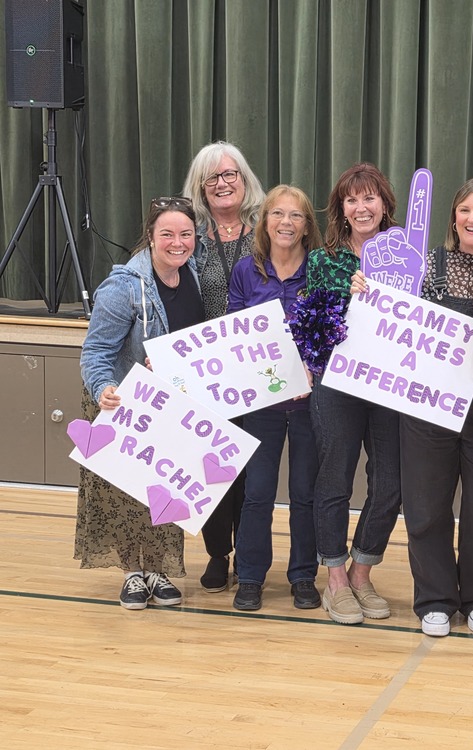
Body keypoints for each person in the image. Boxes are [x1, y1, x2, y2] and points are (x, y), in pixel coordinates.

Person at [77, 196, 204, 609]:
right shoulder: (124, 286)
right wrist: (103, 390)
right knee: (129, 493)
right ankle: (134, 572)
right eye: (166, 233)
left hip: (169, 402)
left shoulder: (195, 275)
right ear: (150, 237)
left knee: (167, 485)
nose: (177, 242)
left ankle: (160, 571)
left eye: (185, 234)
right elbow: (95, 352)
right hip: (123, 401)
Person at [398, 178, 473, 637]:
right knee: (426, 507)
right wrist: (368, 289)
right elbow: (393, 312)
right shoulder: (427, 264)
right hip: (428, 406)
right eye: (464, 209)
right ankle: (436, 599)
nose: (472, 219)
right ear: (453, 217)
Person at [308, 163, 402, 625]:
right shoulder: (324, 259)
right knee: (335, 476)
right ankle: (336, 579)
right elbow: (314, 327)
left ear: (385, 203)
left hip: (393, 383)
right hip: (337, 382)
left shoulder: (409, 252)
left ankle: (362, 570)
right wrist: (351, 298)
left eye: (369, 198)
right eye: (351, 199)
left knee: (391, 480)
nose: (361, 207)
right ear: (341, 209)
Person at [227, 185, 323, 611]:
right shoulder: (246, 271)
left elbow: (335, 331)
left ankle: (303, 575)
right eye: (277, 214)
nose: (286, 222)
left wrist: (313, 367)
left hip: (310, 404)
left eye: (296, 216)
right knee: (257, 493)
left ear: (307, 226)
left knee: (305, 494)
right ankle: (249, 576)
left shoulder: (320, 271)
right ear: (264, 221)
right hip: (261, 405)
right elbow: (233, 334)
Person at [182, 140, 266, 592]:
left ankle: (250, 556)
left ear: (245, 178)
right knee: (213, 462)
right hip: (204, 369)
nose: (222, 183)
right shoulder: (189, 232)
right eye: (211, 177)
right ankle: (219, 553)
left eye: (229, 174)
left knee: (254, 465)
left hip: (257, 367)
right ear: (200, 187)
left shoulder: (268, 226)